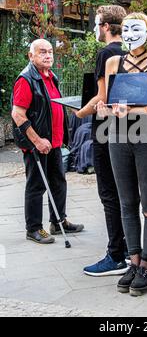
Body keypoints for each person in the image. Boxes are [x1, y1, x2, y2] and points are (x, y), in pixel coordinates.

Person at [97, 12, 147, 296]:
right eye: (125, 28)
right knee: (127, 203)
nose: (129, 33)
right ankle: (134, 259)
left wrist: (132, 111)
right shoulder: (113, 61)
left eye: (136, 28)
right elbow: (107, 99)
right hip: (118, 137)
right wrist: (103, 109)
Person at [72, 5, 129, 276]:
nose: (95, 29)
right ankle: (130, 249)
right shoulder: (130, 52)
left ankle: (116, 254)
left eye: (97, 24)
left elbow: (101, 96)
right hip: (129, 129)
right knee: (126, 192)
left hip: (105, 130)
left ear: (106, 26)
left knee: (109, 193)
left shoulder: (106, 53)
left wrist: (80, 113)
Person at [11, 39, 84, 244]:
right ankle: (33, 229)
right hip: (37, 144)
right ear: (31, 56)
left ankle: (59, 221)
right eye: (42, 52)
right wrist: (36, 140)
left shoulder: (51, 77)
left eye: (50, 52)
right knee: (36, 185)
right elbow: (17, 114)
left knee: (58, 182)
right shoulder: (26, 79)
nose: (48, 55)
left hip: (54, 142)